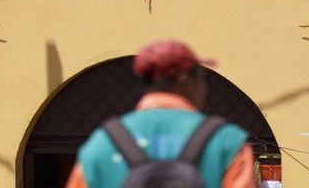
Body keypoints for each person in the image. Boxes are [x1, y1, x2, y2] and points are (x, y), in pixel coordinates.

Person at [66, 40, 258, 188]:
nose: (204, 87)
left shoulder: (101, 144)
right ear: (184, 80)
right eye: (201, 78)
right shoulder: (227, 142)